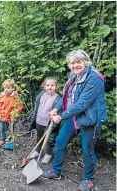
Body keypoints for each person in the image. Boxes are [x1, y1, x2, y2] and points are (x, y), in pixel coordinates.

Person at [41, 50, 107, 191]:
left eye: (79, 62)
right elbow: (67, 96)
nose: (76, 65)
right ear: (69, 65)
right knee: (60, 141)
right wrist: (56, 109)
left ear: (85, 62)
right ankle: (56, 171)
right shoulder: (74, 75)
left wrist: (61, 116)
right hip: (74, 116)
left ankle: (88, 179)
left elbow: (82, 103)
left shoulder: (95, 78)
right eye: (73, 63)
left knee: (87, 151)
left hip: (90, 119)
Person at [27, 77, 61, 164]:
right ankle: (37, 150)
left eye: (52, 85)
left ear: (56, 87)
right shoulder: (41, 95)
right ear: (44, 87)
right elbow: (37, 108)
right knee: (39, 137)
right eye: (48, 85)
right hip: (39, 121)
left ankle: (48, 154)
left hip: (50, 124)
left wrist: (54, 125)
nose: (50, 87)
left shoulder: (58, 99)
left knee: (50, 139)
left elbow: (58, 113)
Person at [0, 79, 24, 148]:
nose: (6, 90)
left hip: (10, 118)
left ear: (13, 88)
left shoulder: (15, 97)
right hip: (2, 117)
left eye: (8, 88)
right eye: (5, 88)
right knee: (2, 129)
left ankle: (9, 142)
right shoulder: (1, 96)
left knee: (10, 130)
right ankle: (2, 140)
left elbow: (20, 106)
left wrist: (15, 114)